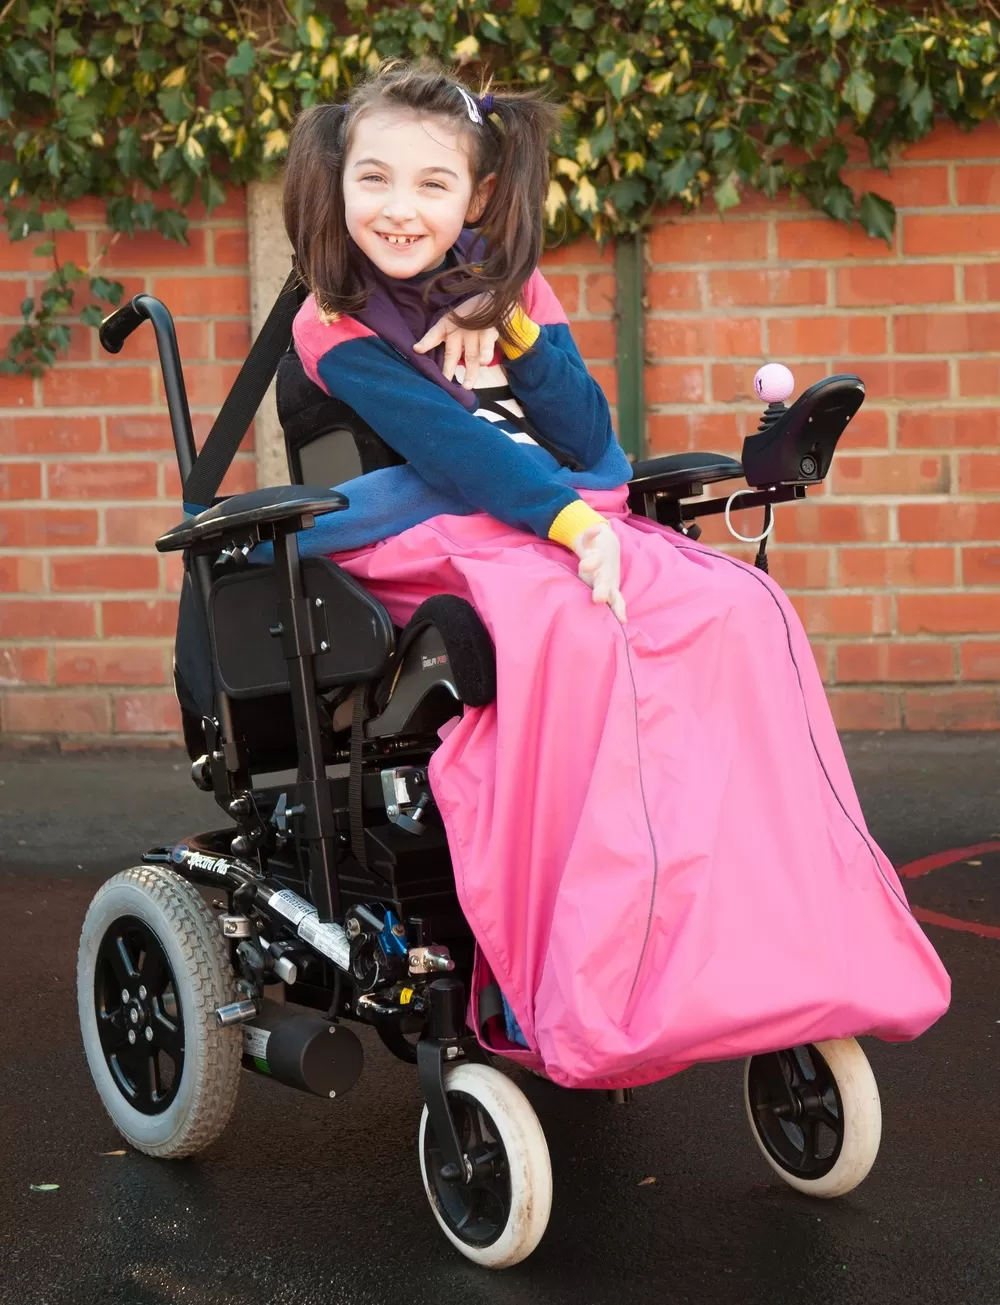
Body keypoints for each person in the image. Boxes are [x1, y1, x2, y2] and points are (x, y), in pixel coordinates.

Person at [280, 60, 950, 1088]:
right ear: (337, 183)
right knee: (578, 622)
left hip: (538, 520)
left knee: (740, 606)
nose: (399, 209)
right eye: (374, 180)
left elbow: (584, 430)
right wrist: (568, 525)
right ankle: (576, 965)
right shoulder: (332, 323)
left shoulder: (504, 284)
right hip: (424, 534)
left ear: (476, 195)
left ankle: (753, 940)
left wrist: (505, 318)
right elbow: (451, 453)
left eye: (430, 185)